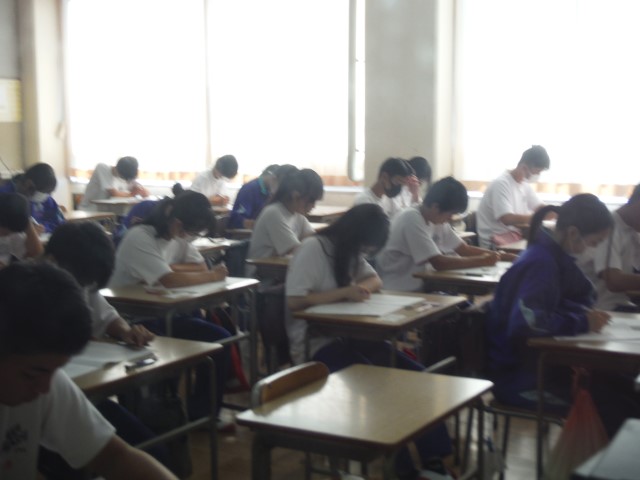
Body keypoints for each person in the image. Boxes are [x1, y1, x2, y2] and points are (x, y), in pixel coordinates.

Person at [285, 203, 453, 479]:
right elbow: (295, 301)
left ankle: (433, 459)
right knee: (378, 390)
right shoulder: (314, 248)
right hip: (316, 344)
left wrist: (361, 288)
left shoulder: (348, 249)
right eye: (365, 246)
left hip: (353, 335)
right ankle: (403, 471)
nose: (364, 252)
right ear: (354, 234)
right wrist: (344, 293)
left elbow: (374, 279)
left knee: (418, 377)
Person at [0, 262, 176, 480]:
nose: (45, 388)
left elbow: (114, 457)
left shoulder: (45, 381)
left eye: (56, 370)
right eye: (31, 374)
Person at [487, 194, 640, 436]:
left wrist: (584, 314)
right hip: (522, 378)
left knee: (627, 389)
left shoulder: (555, 256)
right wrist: (582, 321)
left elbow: (581, 295)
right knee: (615, 407)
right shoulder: (541, 263)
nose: (593, 250)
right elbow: (528, 322)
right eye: (594, 243)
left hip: (547, 368)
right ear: (573, 233)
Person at [109, 191, 230, 420]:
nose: (188, 237)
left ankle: (203, 414)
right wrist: (211, 276)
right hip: (135, 322)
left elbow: (199, 266)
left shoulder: (177, 235)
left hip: (167, 314)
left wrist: (171, 269)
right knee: (185, 349)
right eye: (189, 231)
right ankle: (169, 412)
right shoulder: (140, 237)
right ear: (176, 221)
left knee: (221, 340)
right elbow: (170, 280)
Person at [376, 177, 508, 292]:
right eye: (450, 214)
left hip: (423, 285)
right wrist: (483, 260)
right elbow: (439, 263)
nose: (450, 219)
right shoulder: (411, 218)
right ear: (435, 207)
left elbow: (464, 249)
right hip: (398, 290)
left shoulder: (436, 219)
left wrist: (502, 256)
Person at [246, 168, 323, 277]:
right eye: (311, 200)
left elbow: (314, 240)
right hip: (263, 276)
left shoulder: (297, 215)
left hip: (281, 272)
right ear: (295, 196)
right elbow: (296, 249)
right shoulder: (274, 212)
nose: (314, 206)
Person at [578, 184, 640, 311]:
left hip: (622, 304)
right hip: (603, 308)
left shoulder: (632, 231)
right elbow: (614, 281)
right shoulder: (609, 229)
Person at [476, 145, 550, 248]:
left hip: (514, 237)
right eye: (537, 172)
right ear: (524, 167)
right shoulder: (501, 183)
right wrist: (536, 217)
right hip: (494, 241)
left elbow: (539, 207)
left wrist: (552, 211)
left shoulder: (524, 184)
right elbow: (507, 219)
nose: (538, 176)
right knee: (539, 251)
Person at [0, 163, 65, 234]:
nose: (45, 197)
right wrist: (25, 229)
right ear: (28, 184)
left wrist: (44, 227)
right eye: (42, 193)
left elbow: (60, 223)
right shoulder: (4, 197)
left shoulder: (46, 199)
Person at [79, 156, 149, 211]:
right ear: (117, 169)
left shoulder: (127, 174)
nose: (125, 181)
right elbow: (113, 193)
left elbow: (144, 192)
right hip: (90, 210)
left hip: (110, 212)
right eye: (123, 178)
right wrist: (132, 194)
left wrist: (142, 191)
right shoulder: (102, 168)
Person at [228, 164, 279, 229]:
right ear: (270, 176)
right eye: (276, 181)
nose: (277, 185)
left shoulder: (269, 191)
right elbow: (237, 219)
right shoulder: (249, 189)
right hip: (242, 232)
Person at [0, 192, 43, 266]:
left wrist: (29, 227)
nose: (6, 234)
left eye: (8, 233)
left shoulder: (14, 229)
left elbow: (37, 255)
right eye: (5, 232)